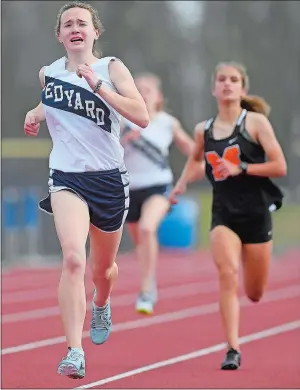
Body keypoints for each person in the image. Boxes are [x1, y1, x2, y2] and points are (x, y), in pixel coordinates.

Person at [23, 1, 149, 379]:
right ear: (60, 35)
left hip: (109, 179)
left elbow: (141, 115)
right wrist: (35, 112)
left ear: (95, 32)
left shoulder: (111, 67)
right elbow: (51, 101)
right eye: (68, 24)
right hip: (66, 178)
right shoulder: (49, 73)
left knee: (102, 269)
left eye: (82, 22)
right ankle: (74, 351)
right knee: (74, 259)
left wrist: (99, 87)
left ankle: (102, 302)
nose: (75, 28)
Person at [169, 62, 287, 370]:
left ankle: (251, 294)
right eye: (221, 79)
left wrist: (242, 168)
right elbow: (197, 162)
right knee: (227, 274)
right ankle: (232, 348)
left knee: (255, 292)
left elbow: (279, 166)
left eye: (233, 80)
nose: (227, 84)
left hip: (257, 214)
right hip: (224, 214)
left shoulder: (256, 123)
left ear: (242, 89)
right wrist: (180, 185)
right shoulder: (203, 130)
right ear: (214, 88)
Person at [120, 73, 196, 315]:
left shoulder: (167, 122)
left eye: (147, 90)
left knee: (147, 228)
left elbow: (194, 151)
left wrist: (188, 178)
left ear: (158, 97)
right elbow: (103, 153)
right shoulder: (122, 121)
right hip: (129, 189)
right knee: (141, 242)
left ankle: (145, 290)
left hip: (159, 187)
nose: (142, 94)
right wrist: (122, 142)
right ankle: (149, 280)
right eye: (137, 89)